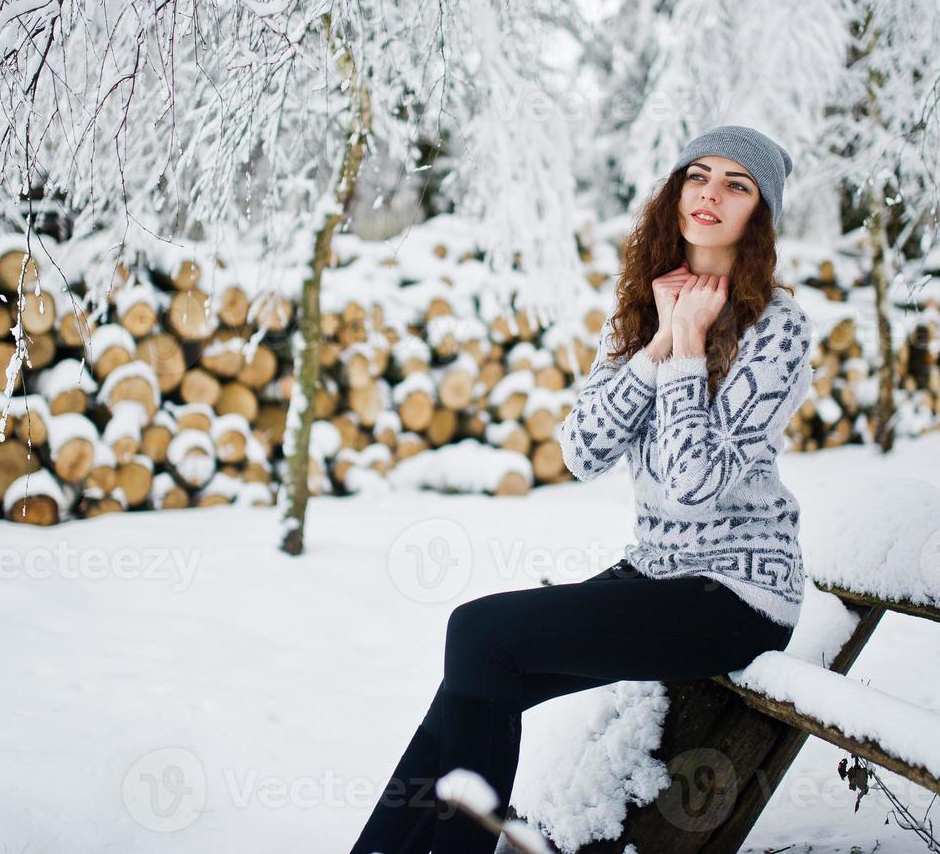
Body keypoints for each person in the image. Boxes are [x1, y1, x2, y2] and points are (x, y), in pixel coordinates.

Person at [349, 125, 815, 854]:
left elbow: (694, 487)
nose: (711, 194)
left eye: (737, 184)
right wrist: (657, 345)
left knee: (479, 635)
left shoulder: (776, 331)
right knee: (475, 670)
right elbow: (582, 451)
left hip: (736, 595)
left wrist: (691, 347)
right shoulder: (639, 311)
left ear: (759, 214)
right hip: (656, 574)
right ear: (675, 191)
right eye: (699, 176)